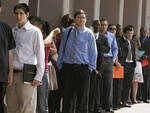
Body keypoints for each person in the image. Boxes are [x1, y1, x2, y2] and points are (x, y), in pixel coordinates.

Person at [6, 3, 45, 113]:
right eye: (16, 14)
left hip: (27, 76)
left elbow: (40, 54)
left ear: (27, 14)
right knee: (11, 108)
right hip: (12, 75)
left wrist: (39, 76)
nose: (18, 16)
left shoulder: (35, 32)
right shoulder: (12, 31)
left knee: (27, 108)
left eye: (21, 13)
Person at [57, 9, 97, 113]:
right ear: (75, 19)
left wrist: (90, 69)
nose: (81, 20)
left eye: (83, 17)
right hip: (68, 68)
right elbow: (62, 48)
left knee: (82, 98)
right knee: (67, 97)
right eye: (79, 17)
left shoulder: (89, 34)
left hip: (83, 69)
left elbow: (93, 52)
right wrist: (60, 64)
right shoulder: (68, 31)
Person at [99, 18, 118, 113]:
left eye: (105, 25)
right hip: (99, 61)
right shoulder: (96, 35)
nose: (103, 26)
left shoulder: (111, 36)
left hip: (109, 61)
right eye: (102, 24)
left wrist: (113, 59)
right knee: (98, 84)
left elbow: (115, 48)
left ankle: (108, 106)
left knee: (109, 84)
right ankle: (97, 106)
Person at [0, 1, 16, 113]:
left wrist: (10, 72)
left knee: (0, 103)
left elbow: (10, 51)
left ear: (0, 9)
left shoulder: (6, 28)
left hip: (2, 74)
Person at [118, 25, 136, 108]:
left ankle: (125, 102)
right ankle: (119, 101)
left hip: (131, 65)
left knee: (128, 85)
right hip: (123, 64)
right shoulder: (121, 41)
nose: (130, 35)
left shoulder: (132, 42)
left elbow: (133, 53)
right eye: (129, 33)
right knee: (120, 84)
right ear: (125, 33)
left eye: (132, 33)